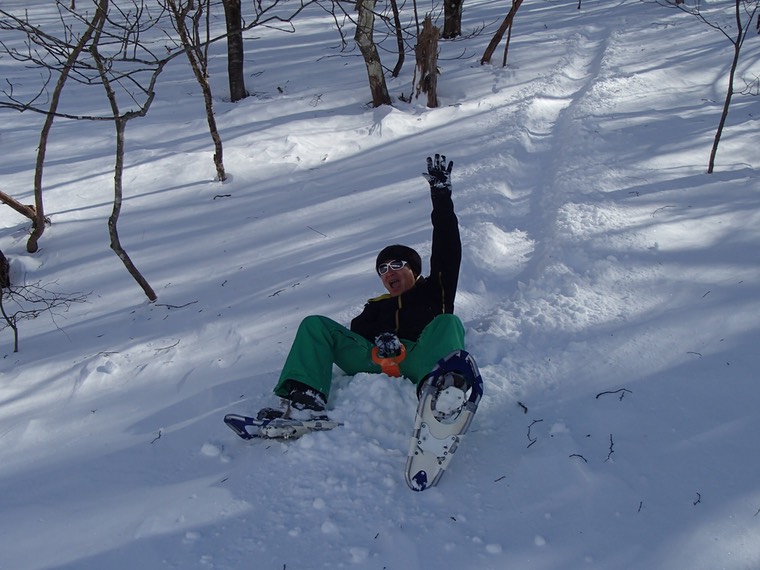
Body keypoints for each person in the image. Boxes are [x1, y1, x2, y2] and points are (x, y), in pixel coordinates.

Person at [261, 153, 465, 420]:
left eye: (395, 265)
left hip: (419, 356)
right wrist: (381, 336)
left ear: (414, 270)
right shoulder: (376, 306)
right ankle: (305, 398)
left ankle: (440, 391)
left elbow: (447, 249)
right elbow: (356, 333)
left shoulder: (435, 289)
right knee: (315, 325)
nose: (387, 272)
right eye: (382, 269)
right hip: (375, 358)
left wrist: (441, 198)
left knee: (449, 322)